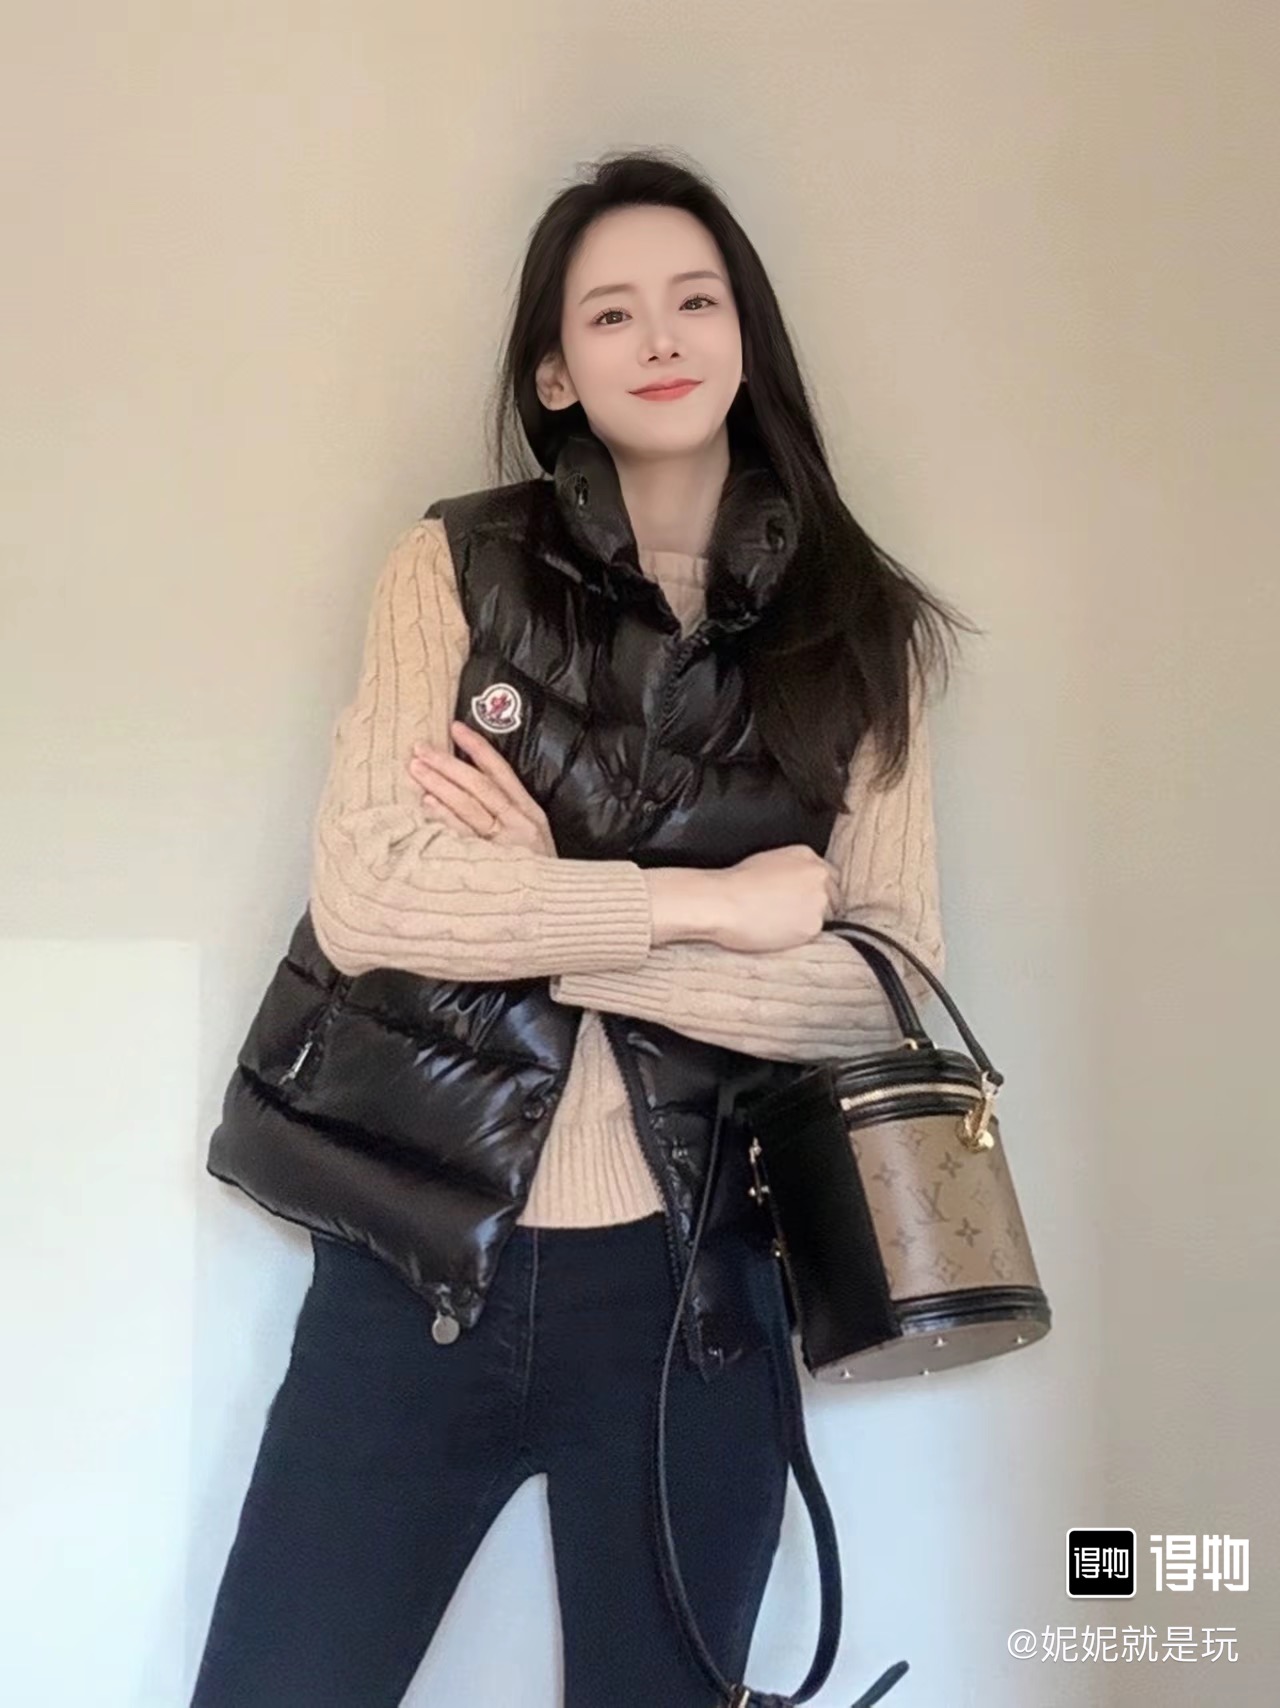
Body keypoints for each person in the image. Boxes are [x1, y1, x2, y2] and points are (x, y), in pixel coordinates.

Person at [192, 147, 975, 1708]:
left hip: (699, 1297)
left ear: (745, 332)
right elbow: (374, 895)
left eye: (695, 299)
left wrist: (544, 900)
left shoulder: (859, 630)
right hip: (419, 1263)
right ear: (557, 371)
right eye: (611, 313)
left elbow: (880, 986)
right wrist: (716, 908)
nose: (661, 336)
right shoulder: (453, 565)